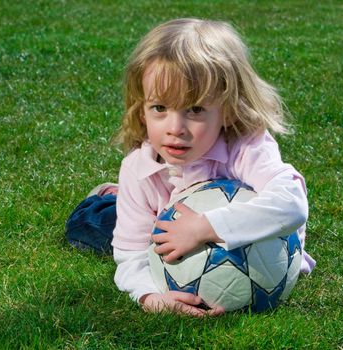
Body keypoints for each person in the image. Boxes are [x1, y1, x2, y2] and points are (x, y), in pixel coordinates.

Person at [65, 18, 316, 317]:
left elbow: (291, 203)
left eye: (195, 109)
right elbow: (130, 257)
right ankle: (109, 198)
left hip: (194, 222)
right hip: (157, 216)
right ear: (141, 109)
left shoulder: (247, 146)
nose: (175, 128)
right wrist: (149, 296)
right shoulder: (138, 169)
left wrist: (204, 228)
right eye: (159, 108)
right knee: (88, 229)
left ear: (228, 109)